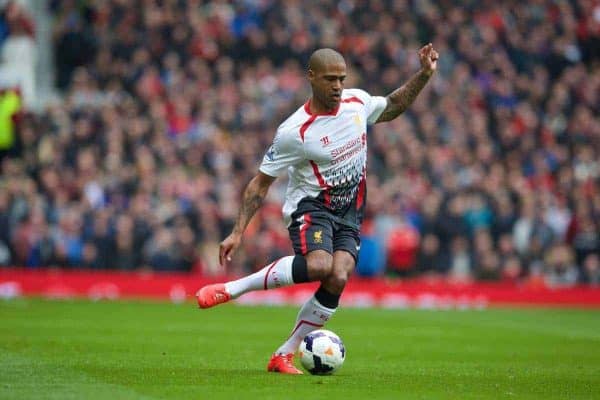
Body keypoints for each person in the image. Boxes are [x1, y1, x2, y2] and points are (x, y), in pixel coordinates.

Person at [196, 44, 439, 374]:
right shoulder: (294, 132)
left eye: (341, 78)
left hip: (350, 209)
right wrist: (238, 231)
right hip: (311, 206)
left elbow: (393, 105)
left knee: (338, 275)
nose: (338, 86)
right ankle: (232, 289)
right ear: (311, 78)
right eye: (330, 79)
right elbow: (259, 184)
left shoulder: (356, 102)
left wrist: (423, 75)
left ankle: (284, 354)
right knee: (321, 264)